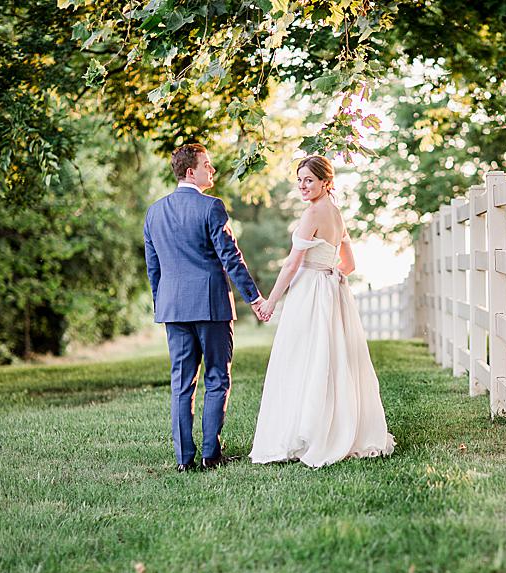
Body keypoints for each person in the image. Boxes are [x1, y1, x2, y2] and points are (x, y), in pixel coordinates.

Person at [249, 156, 395, 468]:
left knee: (303, 357)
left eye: (309, 180)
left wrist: (270, 302)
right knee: (331, 358)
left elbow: (291, 264)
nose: (302, 186)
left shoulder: (313, 213)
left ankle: (309, 434)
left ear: (325, 182)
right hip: (332, 289)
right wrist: (332, 274)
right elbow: (350, 264)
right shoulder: (336, 213)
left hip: (310, 292)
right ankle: (336, 428)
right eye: (299, 180)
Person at [144, 143, 268, 472]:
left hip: (174, 308)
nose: (212, 171)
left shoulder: (154, 212)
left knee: (181, 383)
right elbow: (231, 258)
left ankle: (185, 460)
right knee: (216, 378)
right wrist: (254, 298)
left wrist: (163, 304)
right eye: (207, 165)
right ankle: (211, 454)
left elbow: (153, 267)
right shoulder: (211, 207)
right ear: (190, 172)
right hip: (211, 305)